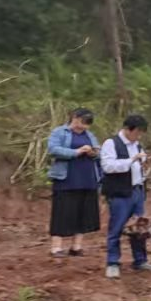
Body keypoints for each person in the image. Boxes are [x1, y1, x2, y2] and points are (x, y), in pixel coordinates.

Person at [101, 114, 151, 279]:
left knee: (139, 228)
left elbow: (139, 163)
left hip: (137, 190)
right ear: (127, 129)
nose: (138, 137)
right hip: (120, 193)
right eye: (137, 132)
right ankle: (112, 263)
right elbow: (108, 166)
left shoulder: (137, 145)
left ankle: (140, 260)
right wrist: (132, 160)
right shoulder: (111, 144)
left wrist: (144, 163)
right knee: (116, 227)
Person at [46, 107, 102, 257]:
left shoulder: (89, 135)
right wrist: (76, 152)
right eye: (82, 122)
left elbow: (99, 153)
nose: (83, 126)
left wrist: (93, 153)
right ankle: (56, 247)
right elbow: (53, 149)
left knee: (83, 212)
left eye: (87, 124)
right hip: (67, 179)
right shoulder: (60, 132)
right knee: (62, 212)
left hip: (88, 178)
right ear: (74, 118)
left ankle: (76, 246)